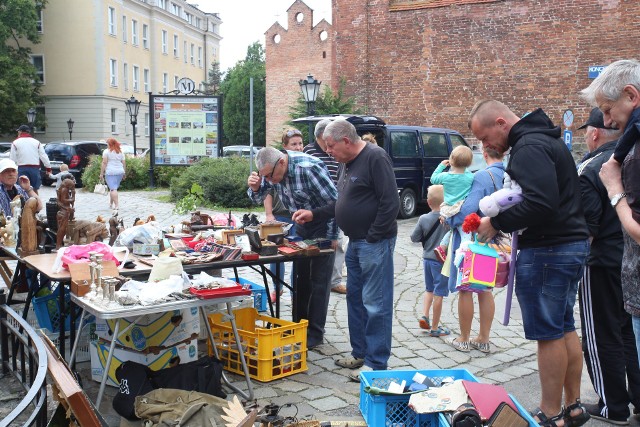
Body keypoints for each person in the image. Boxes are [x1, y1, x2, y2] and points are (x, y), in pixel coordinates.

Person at [471, 100, 590, 427]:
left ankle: (550, 413)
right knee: (564, 327)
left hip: (549, 249)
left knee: (549, 334)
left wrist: (496, 224)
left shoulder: (529, 147)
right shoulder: (545, 140)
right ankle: (573, 407)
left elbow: (541, 203)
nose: (486, 146)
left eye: (485, 138)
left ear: (500, 122)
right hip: (567, 245)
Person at [293, 119, 399, 381]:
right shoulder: (346, 162)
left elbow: (390, 202)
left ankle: (376, 365)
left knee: (376, 303)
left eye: (330, 146)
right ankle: (360, 353)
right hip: (355, 242)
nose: (327, 151)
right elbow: (343, 202)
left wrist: (374, 236)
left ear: (346, 141)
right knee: (355, 300)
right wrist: (314, 213)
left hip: (374, 243)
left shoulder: (375, 157)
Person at [575, 106, 640, 425]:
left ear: (595, 132)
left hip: (600, 263)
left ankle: (612, 405)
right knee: (627, 332)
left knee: (601, 335)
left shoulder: (594, 167)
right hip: (628, 261)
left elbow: (586, 228)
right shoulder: (629, 158)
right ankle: (636, 399)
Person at [247, 146, 337, 349]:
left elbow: (336, 203)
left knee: (319, 283)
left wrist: (331, 237)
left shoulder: (309, 168)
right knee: (301, 279)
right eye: (265, 177)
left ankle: (315, 333)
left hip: (323, 225)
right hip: (302, 226)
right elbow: (260, 195)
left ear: (281, 162)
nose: (269, 181)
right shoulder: (272, 173)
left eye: (270, 176)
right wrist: (254, 188)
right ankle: (298, 326)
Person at [445, 146, 506, 354]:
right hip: (492, 240)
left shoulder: (481, 177)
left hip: (471, 240)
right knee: (486, 289)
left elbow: (467, 210)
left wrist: (448, 218)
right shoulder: (506, 174)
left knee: (466, 289)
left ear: (484, 153)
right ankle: (484, 339)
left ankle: (463, 338)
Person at [304, 119, 346, 295]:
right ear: (320, 136)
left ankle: (335, 280)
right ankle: (315, 280)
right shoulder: (309, 151)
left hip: (337, 200)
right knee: (316, 243)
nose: (329, 148)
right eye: (326, 142)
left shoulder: (336, 149)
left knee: (339, 243)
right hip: (318, 204)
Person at [265, 128, 303, 302]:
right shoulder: (275, 165)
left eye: (300, 143)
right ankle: (277, 287)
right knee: (276, 254)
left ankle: (296, 288)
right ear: (285, 147)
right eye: (293, 144)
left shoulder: (303, 164)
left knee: (298, 254)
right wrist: (269, 215)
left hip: (300, 218)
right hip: (280, 217)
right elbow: (267, 192)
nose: (298, 147)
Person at [409, 184, 449, 337]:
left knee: (429, 289)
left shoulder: (423, 218)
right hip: (441, 261)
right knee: (439, 292)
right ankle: (435, 327)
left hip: (426, 258)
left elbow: (414, 237)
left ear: (428, 202)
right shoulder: (447, 220)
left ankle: (424, 315)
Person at [430, 145, 474, 219]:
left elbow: (433, 179)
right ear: (469, 163)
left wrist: (441, 166)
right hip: (463, 208)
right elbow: (464, 171)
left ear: (451, 160)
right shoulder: (471, 177)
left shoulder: (445, 176)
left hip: (448, 210)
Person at [11, 125, 51, 192]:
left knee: (21, 190)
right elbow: (43, 156)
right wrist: (48, 168)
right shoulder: (36, 142)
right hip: (34, 169)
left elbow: (12, 158)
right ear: (28, 132)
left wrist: (12, 169)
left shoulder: (15, 143)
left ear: (20, 132)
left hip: (21, 168)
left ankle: (24, 202)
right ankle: (36, 202)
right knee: (34, 190)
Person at [100, 138, 126, 216]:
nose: (107, 145)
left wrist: (101, 173)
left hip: (110, 172)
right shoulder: (121, 152)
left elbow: (104, 162)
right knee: (113, 188)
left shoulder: (106, 152)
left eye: (107, 144)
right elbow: (124, 163)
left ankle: (117, 205)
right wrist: (124, 173)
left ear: (110, 144)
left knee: (113, 188)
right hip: (120, 172)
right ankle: (111, 203)